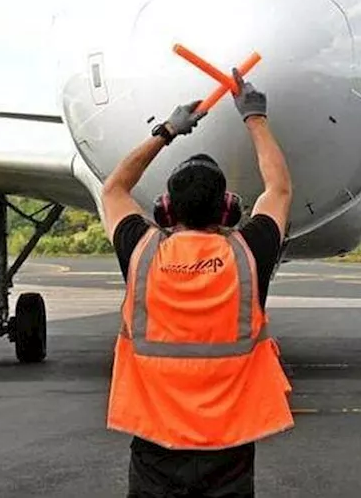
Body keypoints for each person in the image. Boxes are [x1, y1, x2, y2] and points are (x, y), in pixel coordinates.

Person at [100, 69, 295, 498]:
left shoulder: (141, 253)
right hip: (229, 448)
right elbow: (278, 189)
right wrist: (254, 116)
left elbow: (114, 188)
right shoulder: (248, 255)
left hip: (155, 445)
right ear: (228, 209)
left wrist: (167, 131)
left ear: (165, 209)